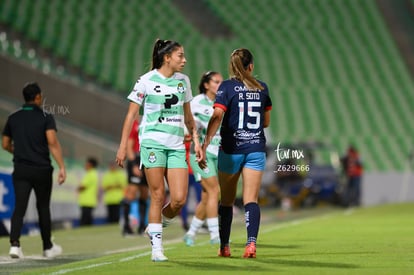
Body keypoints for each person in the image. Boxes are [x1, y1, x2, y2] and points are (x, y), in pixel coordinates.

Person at [115, 39, 203, 262]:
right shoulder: (145, 81)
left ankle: (154, 225)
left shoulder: (184, 81)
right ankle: (156, 248)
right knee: (157, 195)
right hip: (152, 143)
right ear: (167, 58)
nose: (184, 60)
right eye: (180, 56)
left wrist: (197, 143)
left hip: (175, 146)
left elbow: (189, 117)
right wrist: (123, 146)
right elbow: (130, 116)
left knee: (179, 200)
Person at [199, 48, 272, 258]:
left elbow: (217, 116)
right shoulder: (262, 88)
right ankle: (251, 244)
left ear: (232, 67)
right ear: (251, 66)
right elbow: (265, 122)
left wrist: (204, 145)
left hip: (231, 150)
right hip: (255, 149)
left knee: (227, 201)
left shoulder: (227, 87)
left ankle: (224, 247)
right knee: (251, 199)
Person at [1, 82, 66, 259]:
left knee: (19, 207)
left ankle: (15, 245)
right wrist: (61, 166)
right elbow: (52, 142)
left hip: (21, 169)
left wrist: (19, 151)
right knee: (43, 207)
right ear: (37, 97)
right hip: (42, 169)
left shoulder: (13, 117)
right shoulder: (46, 116)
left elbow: (5, 144)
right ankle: (47, 247)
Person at [183, 71, 223, 246]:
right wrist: (189, 132)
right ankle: (215, 235)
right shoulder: (197, 102)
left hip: (218, 153)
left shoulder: (222, 103)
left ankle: (191, 233)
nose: (220, 85)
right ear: (206, 84)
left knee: (208, 197)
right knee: (215, 192)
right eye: (216, 82)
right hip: (200, 153)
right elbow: (188, 123)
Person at [122, 118, 149, 236]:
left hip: (147, 157)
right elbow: (129, 145)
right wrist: (134, 164)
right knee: (131, 193)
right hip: (136, 160)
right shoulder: (135, 124)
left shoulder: (150, 121)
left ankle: (142, 225)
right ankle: (126, 226)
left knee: (144, 193)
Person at [180, 133, 202, 232]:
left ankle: (199, 221)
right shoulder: (181, 130)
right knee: (183, 199)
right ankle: (184, 222)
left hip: (197, 170)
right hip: (185, 171)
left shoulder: (197, 130)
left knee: (201, 197)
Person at [77, 157, 99, 226]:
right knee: (87, 220)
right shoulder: (93, 173)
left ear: (90, 164)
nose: (85, 165)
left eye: (86, 163)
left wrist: (78, 188)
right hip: (89, 201)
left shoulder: (90, 174)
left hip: (87, 201)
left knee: (85, 221)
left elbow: (82, 187)